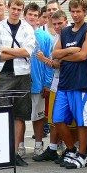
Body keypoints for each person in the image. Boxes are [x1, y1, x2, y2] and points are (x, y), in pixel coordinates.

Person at [0, 0, 35, 166]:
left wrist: (6, 49)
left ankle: (14, 153)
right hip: (4, 75)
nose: (16, 11)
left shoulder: (27, 28)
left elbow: (28, 52)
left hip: (22, 75)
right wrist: (18, 52)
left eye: (19, 9)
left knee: (20, 115)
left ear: (22, 10)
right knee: (1, 114)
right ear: (8, 8)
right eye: (13, 8)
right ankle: (2, 153)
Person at [51, 0, 87, 169]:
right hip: (64, 83)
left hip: (82, 83)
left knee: (82, 122)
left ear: (85, 11)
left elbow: (83, 55)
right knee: (58, 120)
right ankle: (71, 149)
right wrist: (69, 51)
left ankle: (83, 155)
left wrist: (64, 57)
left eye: (79, 11)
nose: (76, 14)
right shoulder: (65, 31)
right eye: (73, 11)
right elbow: (55, 54)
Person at [33, 9, 68, 162]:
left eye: (60, 23)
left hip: (69, 83)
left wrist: (44, 59)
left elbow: (60, 63)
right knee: (54, 118)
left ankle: (72, 149)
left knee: (69, 119)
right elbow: (57, 63)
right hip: (56, 82)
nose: (58, 26)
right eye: (54, 24)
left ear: (66, 21)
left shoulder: (70, 36)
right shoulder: (55, 38)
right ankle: (54, 148)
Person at [24, 2, 53, 158]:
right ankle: (19, 146)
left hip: (38, 83)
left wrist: (47, 83)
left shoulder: (44, 37)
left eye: (36, 15)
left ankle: (38, 145)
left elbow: (49, 62)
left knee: (39, 117)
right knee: (19, 117)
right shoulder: (19, 34)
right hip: (21, 83)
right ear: (25, 15)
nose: (33, 18)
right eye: (30, 14)